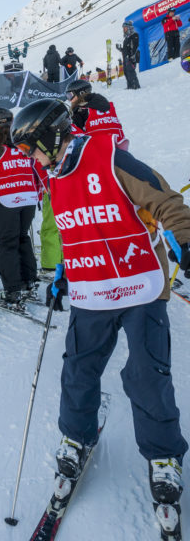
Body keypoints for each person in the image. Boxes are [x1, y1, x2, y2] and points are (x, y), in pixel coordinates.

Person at [11, 99, 190, 533]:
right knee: (78, 370)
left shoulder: (109, 157)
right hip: (92, 290)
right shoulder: (54, 177)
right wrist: (63, 273)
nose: (29, 159)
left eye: (30, 148)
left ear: (51, 137)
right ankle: (77, 437)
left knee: (146, 374)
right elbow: (77, 230)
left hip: (139, 285)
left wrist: (184, 239)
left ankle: (163, 456)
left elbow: (165, 200)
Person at [0, 108, 41, 303]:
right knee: (22, 238)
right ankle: (28, 281)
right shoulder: (23, 142)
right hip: (28, 197)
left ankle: (13, 291)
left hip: (7, 199)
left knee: (7, 243)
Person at [65, 78, 126, 145]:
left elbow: (76, 135)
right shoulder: (107, 105)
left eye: (70, 95)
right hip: (119, 143)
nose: (69, 100)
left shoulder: (80, 111)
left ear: (81, 93)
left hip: (97, 147)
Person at [116, 21, 141, 90]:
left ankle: (135, 86)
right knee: (126, 72)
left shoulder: (134, 35)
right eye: (123, 28)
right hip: (126, 57)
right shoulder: (126, 38)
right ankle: (129, 86)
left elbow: (135, 46)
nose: (124, 29)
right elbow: (125, 49)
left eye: (125, 27)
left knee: (130, 71)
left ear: (129, 27)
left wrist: (132, 55)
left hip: (131, 57)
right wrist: (120, 49)